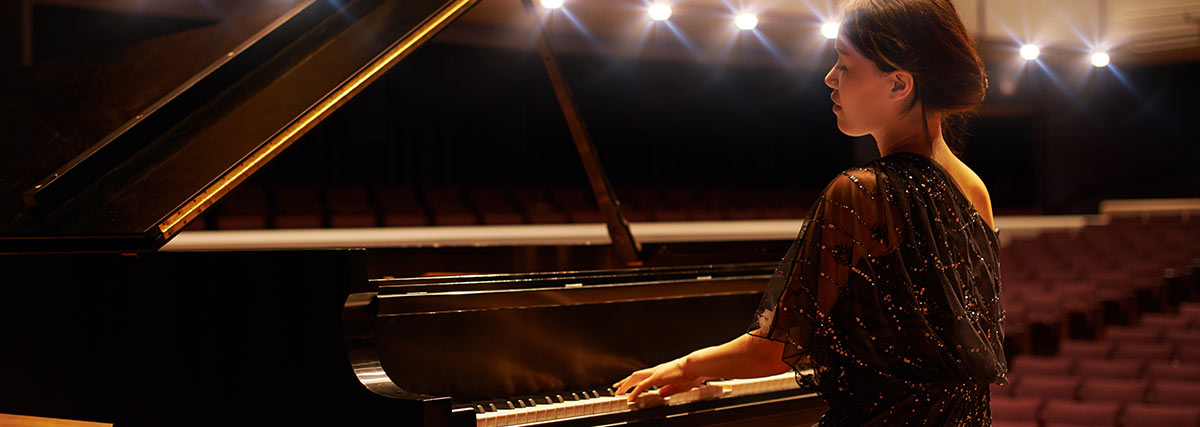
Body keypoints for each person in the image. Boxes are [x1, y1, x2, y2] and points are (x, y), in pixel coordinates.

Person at [611, 0, 1007, 424]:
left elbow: (774, 351)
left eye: (844, 64)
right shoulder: (973, 188)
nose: (829, 77)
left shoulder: (860, 193)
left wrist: (686, 367)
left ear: (899, 85)